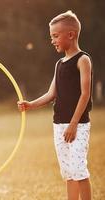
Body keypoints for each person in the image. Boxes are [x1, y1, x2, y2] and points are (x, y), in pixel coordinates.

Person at [18, 11, 93, 200]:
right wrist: (30, 105)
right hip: (59, 124)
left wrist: (74, 124)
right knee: (68, 171)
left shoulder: (83, 60)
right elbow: (52, 94)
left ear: (71, 34)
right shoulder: (59, 63)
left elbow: (85, 94)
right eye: (51, 36)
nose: (52, 40)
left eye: (55, 36)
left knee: (79, 169)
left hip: (78, 125)